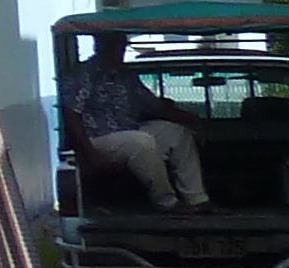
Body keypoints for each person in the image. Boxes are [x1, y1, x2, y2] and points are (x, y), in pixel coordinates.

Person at [65, 31, 210, 209]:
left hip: (128, 131)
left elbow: (155, 106)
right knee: (141, 141)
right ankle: (167, 202)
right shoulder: (84, 73)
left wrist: (193, 120)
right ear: (99, 46)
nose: (118, 51)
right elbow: (72, 113)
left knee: (176, 133)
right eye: (113, 45)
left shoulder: (126, 75)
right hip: (98, 138)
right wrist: (88, 152)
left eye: (121, 46)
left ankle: (197, 199)